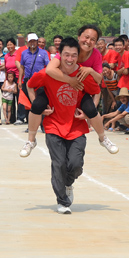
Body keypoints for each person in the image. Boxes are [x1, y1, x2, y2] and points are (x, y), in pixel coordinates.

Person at [26, 37, 100, 214]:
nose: (70, 59)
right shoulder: (48, 73)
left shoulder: (82, 73)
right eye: (66, 55)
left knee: (75, 164)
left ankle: (68, 183)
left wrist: (89, 111)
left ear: (78, 57)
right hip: (54, 126)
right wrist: (38, 106)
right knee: (58, 163)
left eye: (74, 55)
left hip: (76, 127)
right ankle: (62, 201)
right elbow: (29, 85)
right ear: (59, 56)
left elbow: (96, 90)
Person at [20, 26, 118, 157]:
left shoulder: (94, 55)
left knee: (91, 109)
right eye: (86, 37)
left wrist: (89, 70)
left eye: (93, 39)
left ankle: (103, 138)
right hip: (58, 85)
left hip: (81, 88)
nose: (88, 41)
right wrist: (70, 80)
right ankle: (31, 140)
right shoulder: (69, 48)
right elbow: (49, 70)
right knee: (37, 105)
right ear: (79, 37)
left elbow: (98, 82)